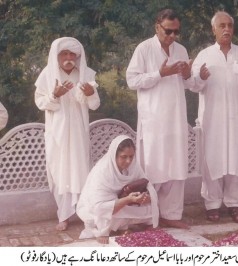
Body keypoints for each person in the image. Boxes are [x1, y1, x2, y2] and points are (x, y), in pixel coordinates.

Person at [191, 11, 238, 223]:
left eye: (230, 26)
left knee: (237, 158)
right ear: (213, 29)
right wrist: (200, 79)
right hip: (213, 118)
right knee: (213, 159)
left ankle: (235, 204)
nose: (227, 29)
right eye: (222, 25)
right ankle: (212, 204)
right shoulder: (204, 55)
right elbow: (193, 84)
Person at [126, 9, 193, 229]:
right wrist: (159, 74)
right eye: (168, 31)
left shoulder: (181, 49)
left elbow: (188, 85)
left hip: (176, 117)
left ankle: (171, 214)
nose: (172, 36)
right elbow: (132, 81)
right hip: (153, 118)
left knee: (176, 166)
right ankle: (148, 215)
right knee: (154, 167)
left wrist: (186, 75)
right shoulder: (144, 49)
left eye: (176, 32)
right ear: (157, 27)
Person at [34, 37, 101, 231]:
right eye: (65, 53)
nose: (69, 57)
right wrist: (55, 94)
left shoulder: (86, 74)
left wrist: (90, 93)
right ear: (57, 55)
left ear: (78, 56)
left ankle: (84, 212)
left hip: (79, 132)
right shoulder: (47, 75)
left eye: (73, 54)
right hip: (57, 133)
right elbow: (39, 103)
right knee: (60, 170)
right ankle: (63, 215)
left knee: (81, 170)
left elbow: (95, 105)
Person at [77, 135, 159, 244]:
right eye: (123, 157)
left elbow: (147, 185)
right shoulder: (102, 171)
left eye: (131, 156)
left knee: (152, 210)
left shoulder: (134, 166)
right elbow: (99, 208)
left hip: (123, 205)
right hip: (101, 209)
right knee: (106, 217)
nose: (128, 161)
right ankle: (107, 229)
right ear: (114, 155)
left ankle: (124, 225)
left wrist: (146, 197)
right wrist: (128, 200)